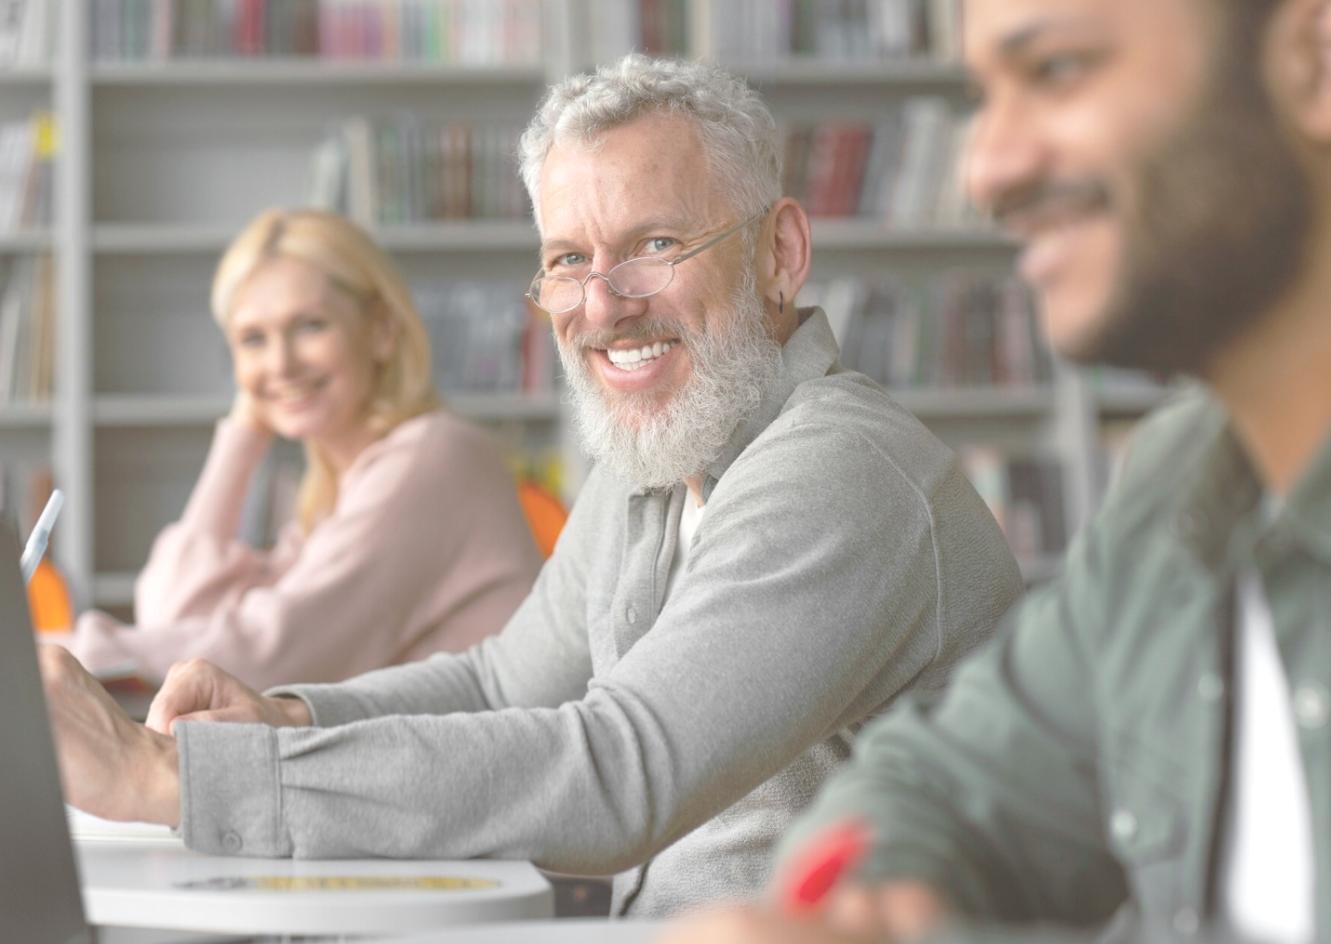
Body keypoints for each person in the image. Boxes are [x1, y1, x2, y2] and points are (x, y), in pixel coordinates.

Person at [39, 56, 1021, 917]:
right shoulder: (657, 459)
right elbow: (499, 680)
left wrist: (169, 775)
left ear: (779, 254)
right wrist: (289, 718)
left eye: (654, 245)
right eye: (567, 260)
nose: (602, 303)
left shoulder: (839, 472)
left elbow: (617, 770)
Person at [660, 0, 1331, 942]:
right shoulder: (1185, 487)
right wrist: (868, 905)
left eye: (1057, 71)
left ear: (1327, 59)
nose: (986, 169)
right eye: (983, 94)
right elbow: (932, 782)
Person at [63, 209, 542, 690]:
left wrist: (71, 652)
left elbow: (268, 656)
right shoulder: (333, 491)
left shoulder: (432, 459)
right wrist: (243, 433)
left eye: (310, 326)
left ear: (381, 330)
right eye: (253, 339)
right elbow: (170, 615)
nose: (280, 363)